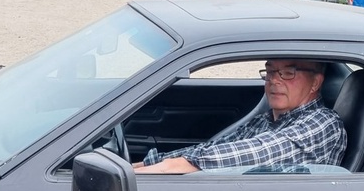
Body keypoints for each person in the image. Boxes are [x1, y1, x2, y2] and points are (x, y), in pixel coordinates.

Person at [133, 59, 346, 174]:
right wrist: (148, 163)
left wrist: (172, 166)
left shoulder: (323, 123)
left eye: (288, 73)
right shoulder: (265, 120)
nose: (274, 80)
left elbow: (255, 153)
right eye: (270, 72)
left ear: (316, 83)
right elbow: (215, 148)